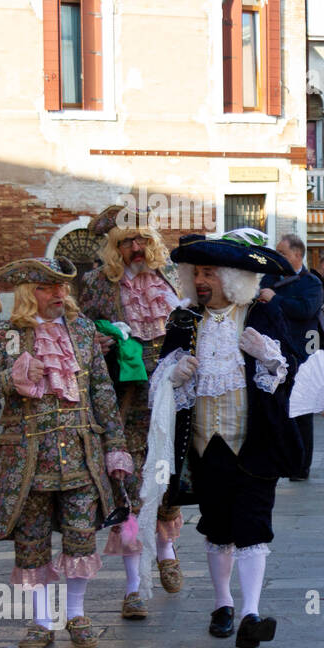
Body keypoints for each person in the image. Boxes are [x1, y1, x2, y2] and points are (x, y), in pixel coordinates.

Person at [0, 257, 131, 648]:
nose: (60, 294)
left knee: (80, 536)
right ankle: (41, 621)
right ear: (27, 294)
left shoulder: (83, 330)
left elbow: (103, 394)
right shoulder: (4, 336)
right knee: (32, 540)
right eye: (48, 288)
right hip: (27, 458)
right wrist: (11, 378)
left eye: (62, 287)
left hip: (81, 452)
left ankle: (76, 613)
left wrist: (117, 448)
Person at [152, 232, 302, 648]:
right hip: (204, 441)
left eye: (210, 273)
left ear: (233, 277)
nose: (202, 280)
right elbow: (162, 376)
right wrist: (173, 374)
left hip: (254, 439)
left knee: (254, 523)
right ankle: (223, 604)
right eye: (196, 272)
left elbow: (292, 366)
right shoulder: (184, 319)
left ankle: (251, 613)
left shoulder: (262, 314)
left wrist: (269, 357)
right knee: (218, 525)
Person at [78, 205, 185, 616]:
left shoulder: (171, 276)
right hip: (125, 397)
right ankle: (134, 585)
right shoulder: (98, 284)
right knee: (129, 483)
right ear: (114, 248)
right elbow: (81, 333)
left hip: (173, 390)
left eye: (141, 239)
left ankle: (167, 550)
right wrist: (99, 346)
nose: (136, 248)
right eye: (126, 242)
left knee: (170, 473)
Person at [259, 233, 323, 481]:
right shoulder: (270, 278)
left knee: (301, 413)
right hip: (272, 355)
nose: (278, 257)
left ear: (298, 255)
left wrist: (276, 300)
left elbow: (305, 310)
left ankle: (301, 466)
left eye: (282, 253)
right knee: (273, 410)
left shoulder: (311, 283)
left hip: (300, 356)